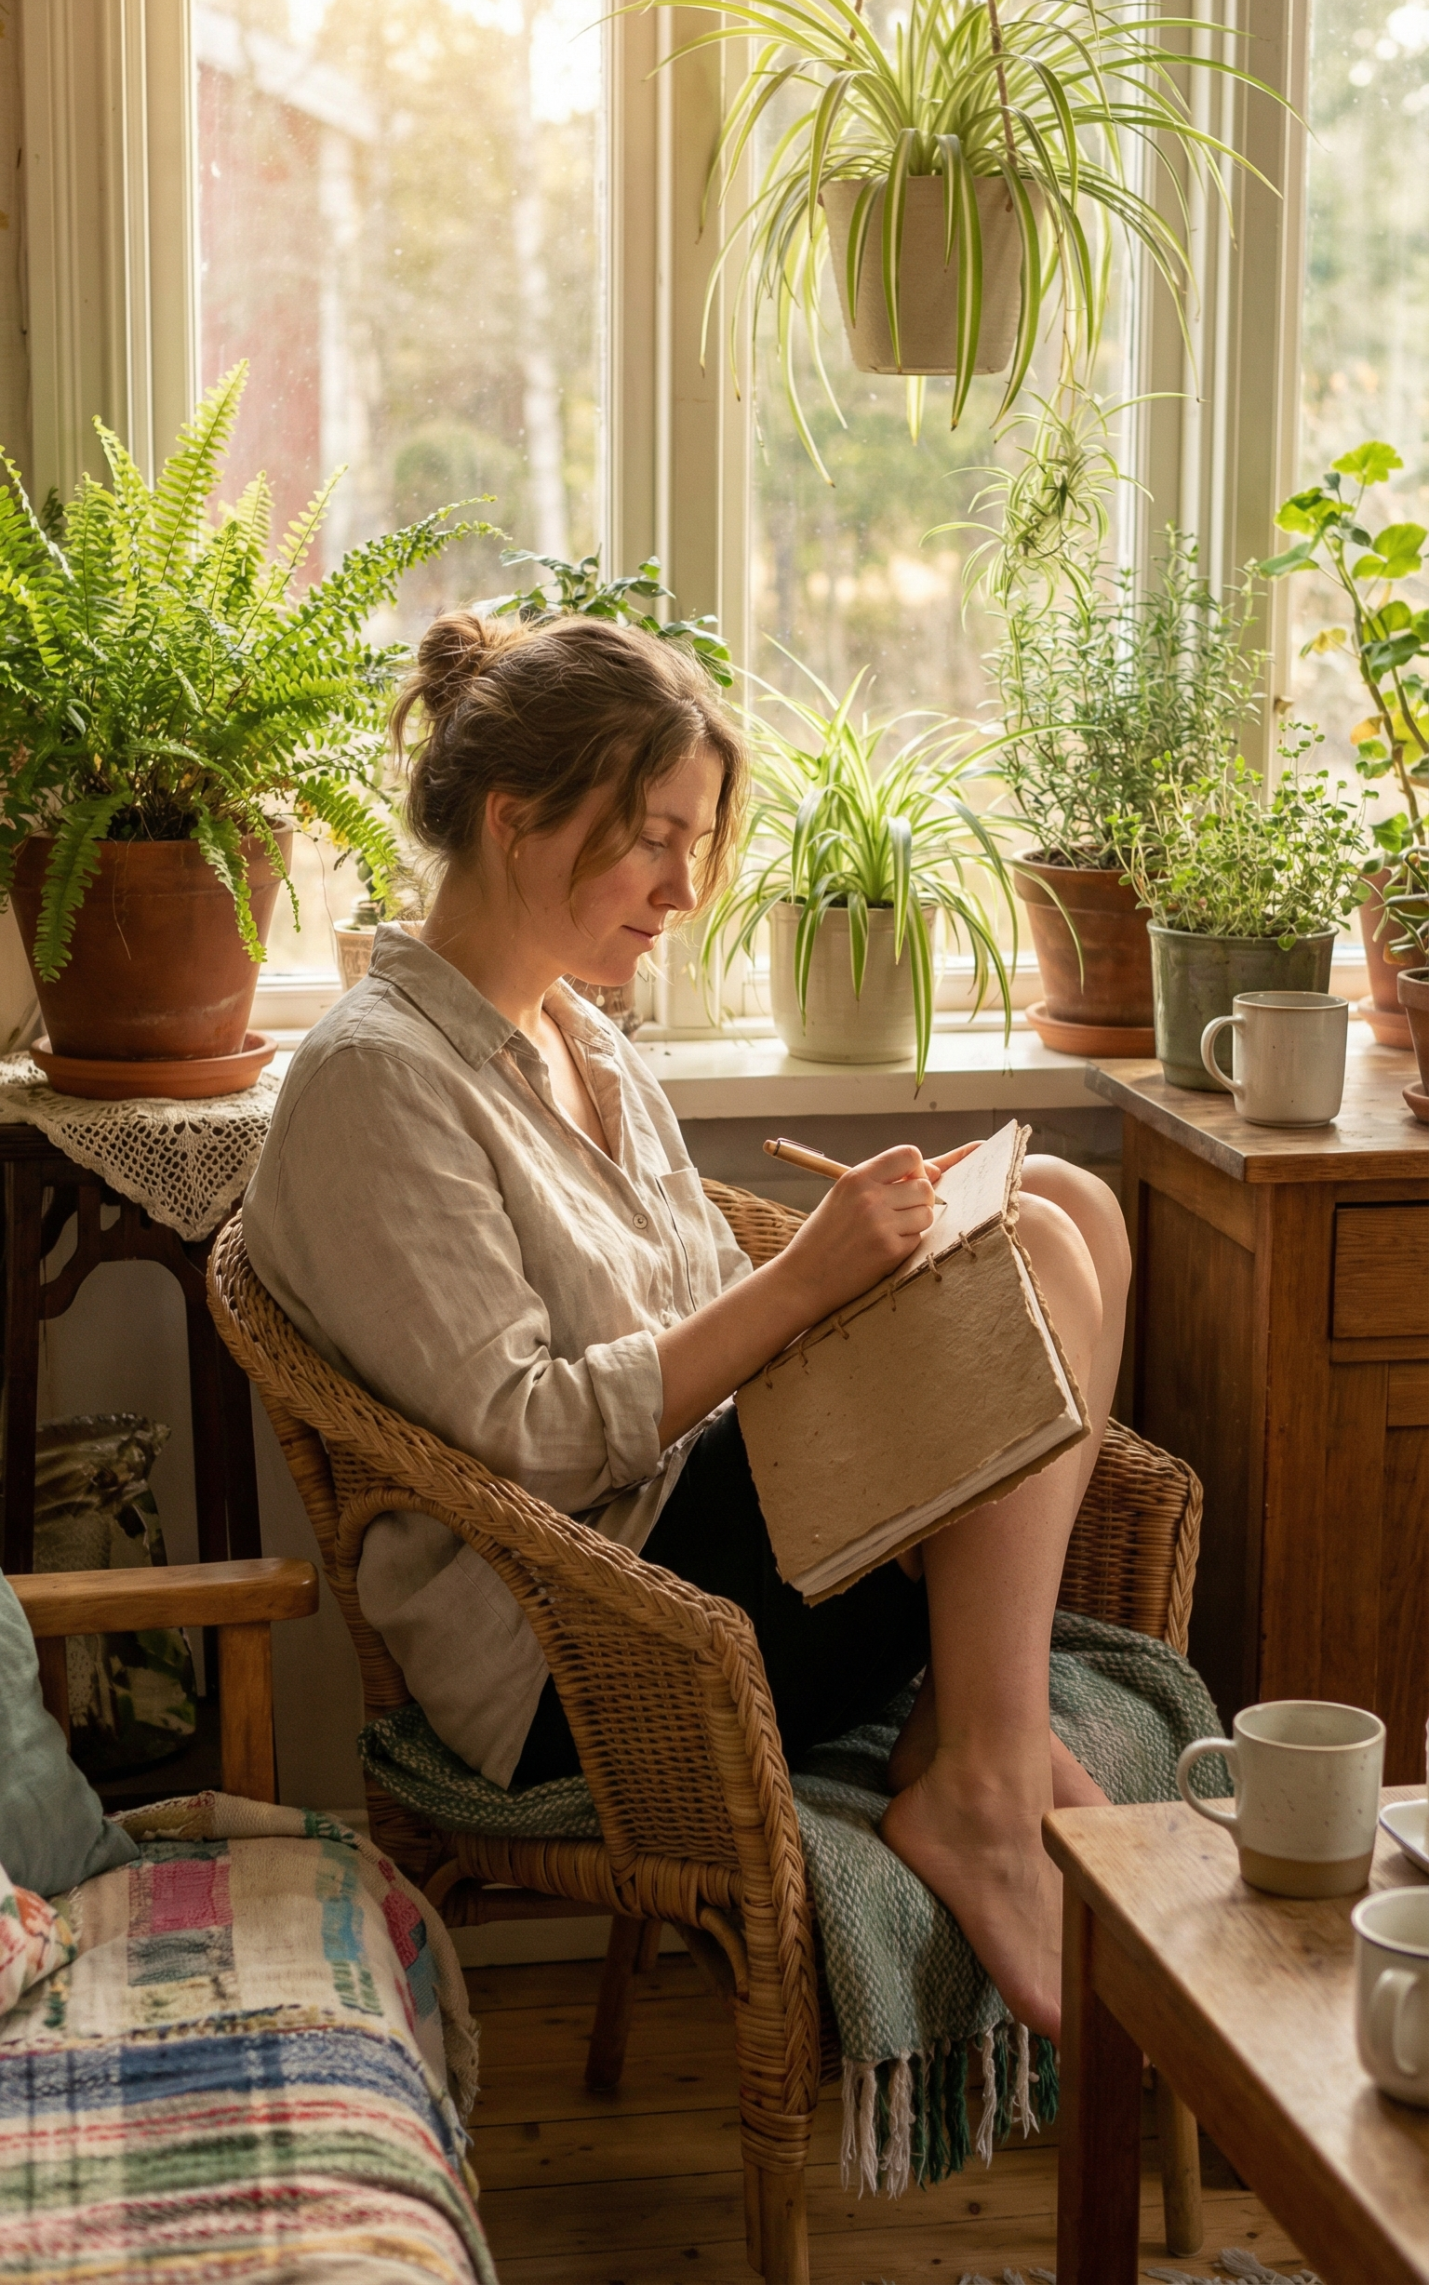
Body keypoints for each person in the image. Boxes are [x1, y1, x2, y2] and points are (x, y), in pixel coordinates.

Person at [244, 613, 1129, 2039]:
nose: (684, 886)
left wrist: (882, 1280)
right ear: (515, 817)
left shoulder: (584, 1036)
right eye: (653, 837)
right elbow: (529, 1440)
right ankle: (978, 1781)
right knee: (1032, 1243)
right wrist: (815, 1284)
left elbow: (717, 1313)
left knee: (1070, 1205)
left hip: (721, 1524)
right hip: (592, 1640)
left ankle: (983, 1737)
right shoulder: (373, 1081)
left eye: (697, 842)